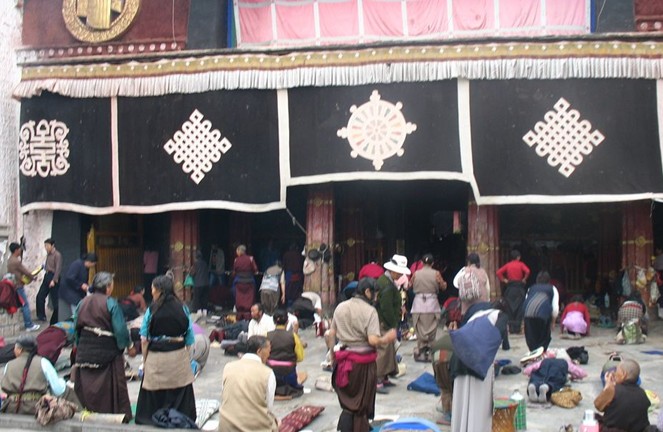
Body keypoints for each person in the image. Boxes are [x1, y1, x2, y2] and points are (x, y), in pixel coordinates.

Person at [329, 277, 397, 432]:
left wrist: (332, 355)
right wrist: (386, 338)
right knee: (360, 404)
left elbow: (331, 333)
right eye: (375, 294)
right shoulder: (370, 311)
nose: (376, 298)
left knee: (349, 403)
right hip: (362, 364)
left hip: (343, 360)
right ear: (367, 292)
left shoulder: (340, 307)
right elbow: (373, 340)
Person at [73, 272, 135, 421]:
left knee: (87, 383)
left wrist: (78, 345)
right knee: (112, 383)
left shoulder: (82, 303)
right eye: (112, 284)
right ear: (107, 287)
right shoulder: (110, 303)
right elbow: (120, 329)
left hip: (85, 350)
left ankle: (88, 412)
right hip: (107, 351)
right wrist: (129, 345)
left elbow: (76, 328)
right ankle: (116, 414)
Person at [136, 275, 196, 425]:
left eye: (152, 288)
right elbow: (189, 337)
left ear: (159, 290)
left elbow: (144, 338)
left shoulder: (152, 309)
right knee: (181, 386)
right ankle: (181, 417)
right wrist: (186, 358)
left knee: (153, 387)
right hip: (178, 356)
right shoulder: (182, 307)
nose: (151, 291)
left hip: (156, 358)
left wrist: (145, 360)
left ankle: (151, 419)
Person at [450, 301, 508, 432]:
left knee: (461, 398)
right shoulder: (501, 316)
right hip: (478, 359)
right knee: (478, 402)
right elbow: (498, 338)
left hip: (458, 354)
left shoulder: (478, 314)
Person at [219, 335, 279, 432]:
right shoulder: (267, 373)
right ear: (259, 351)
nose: (269, 354)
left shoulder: (228, 367)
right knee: (276, 423)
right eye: (268, 351)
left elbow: (224, 395)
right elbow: (269, 407)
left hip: (226, 427)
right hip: (254, 428)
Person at [0, 335, 67, 414]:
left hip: (12, 408)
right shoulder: (43, 362)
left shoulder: (9, 365)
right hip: (35, 408)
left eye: (15, 348)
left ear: (20, 350)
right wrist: (63, 382)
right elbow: (58, 390)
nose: (14, 350)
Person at [375, 254, 410, 393]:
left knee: (389, 350)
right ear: (393, 271)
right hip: (384, 322)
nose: (401, 275)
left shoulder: (386, 281)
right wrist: (393, 324)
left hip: (385, 320)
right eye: (399, 272)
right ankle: (378, 379)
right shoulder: (387, 285)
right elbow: (386, 308)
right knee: (383, 350)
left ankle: (384, 376)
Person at [594, 358, 651, 432]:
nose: (614, 373)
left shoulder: (613, 390)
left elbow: (598, 405)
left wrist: (607, 386)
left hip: (613, 430)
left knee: (592, 417)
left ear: (624, 374)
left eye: (616, 371)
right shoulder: (642, 393)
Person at [410, 253, 446, 362]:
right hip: (432, 304)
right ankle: (430, 351)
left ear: (421, 262)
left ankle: (421, 351)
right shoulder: (436, 274)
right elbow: (443, 286)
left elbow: (409, 285)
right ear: (432, 263)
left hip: (418, 304)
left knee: (419, 327)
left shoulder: (416, 274)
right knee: (432, 326)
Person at [266, 309, 305, 398]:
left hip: (272, 373)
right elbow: (300, 357)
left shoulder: (267, 335)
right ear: (287, 321)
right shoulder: (293, 336)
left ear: (274, 322)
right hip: (289, 373)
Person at [522, 271, 559, 352]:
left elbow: (526, 302)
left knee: (531, 339)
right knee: (543, 339)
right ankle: (540, 354)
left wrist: (523, 322)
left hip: (528, 316)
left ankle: (533, 353)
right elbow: (555, 308)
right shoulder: (552, 288)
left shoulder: (531, 288)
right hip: (543, 316)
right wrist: (553, 322)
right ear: (549, 280)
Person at [7, 243, 40, 332]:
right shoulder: (16, 261)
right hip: (18, 286)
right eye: (19, 249)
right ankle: (29, 325)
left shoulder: (10, 260)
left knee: (21, 305)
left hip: (13, 285)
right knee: (25, 305)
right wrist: (33, 277)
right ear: (16, 250)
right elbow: (25, 272)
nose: (20, 251)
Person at [496, 250, 531, 334]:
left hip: (510, 288)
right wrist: (524, 279)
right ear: (518, 257)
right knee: (519, 308)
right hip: (519, 288)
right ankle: (517, 328)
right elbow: (527, 271)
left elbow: (498, 272)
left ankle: (511, 328)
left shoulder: (508, 265)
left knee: (509, 308)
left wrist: (504, 280)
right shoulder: (521, 264)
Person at [59, 253, 97, 321]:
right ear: (90, 262)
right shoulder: (77, 264)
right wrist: (81, 285)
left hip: (75, 290)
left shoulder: (85, 267)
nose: (93, 266)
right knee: (77, 308)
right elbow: (69, 278)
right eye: (93, 264)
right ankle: (76, 321)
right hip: (68, 291)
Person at [36, 238, 62, 325]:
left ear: (52, 245)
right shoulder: (48, 254)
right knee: (40, 296)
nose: (46, 247)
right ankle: (41, 316)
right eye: (45, 246)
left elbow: (58, 269)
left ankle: (56, 319)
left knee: (55, 300)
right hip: (47, 276)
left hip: (53, 277)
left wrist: (54, 280)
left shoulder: (57, 255)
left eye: (47, 246)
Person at [232, 245, 258, 320]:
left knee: (239, 298)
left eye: (237, 251)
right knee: (249, 299)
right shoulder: (250, 259)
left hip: (239, 282)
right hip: (249, 282)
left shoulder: (236, 260)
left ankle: (239, 314)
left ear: (240, 251)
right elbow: (255, 270)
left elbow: (234, 271)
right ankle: (248, 315)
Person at [282, 243, 304, 307]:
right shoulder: (299, 255)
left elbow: (284, 265)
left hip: (289, 273)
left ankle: (289, 304)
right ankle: (294, 305)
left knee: (289, 289)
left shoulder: (286, 254)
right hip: (297, 273)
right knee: (296, 290)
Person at [191, 250, 210, 314]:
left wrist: (188, 271)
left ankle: (199, 311)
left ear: (196, 257)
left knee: (197, 298)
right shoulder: (205, 263)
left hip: (198, 284)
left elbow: (192, 273)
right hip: (206, 283)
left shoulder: (195, 264)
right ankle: (205, 311)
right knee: (204, 298)